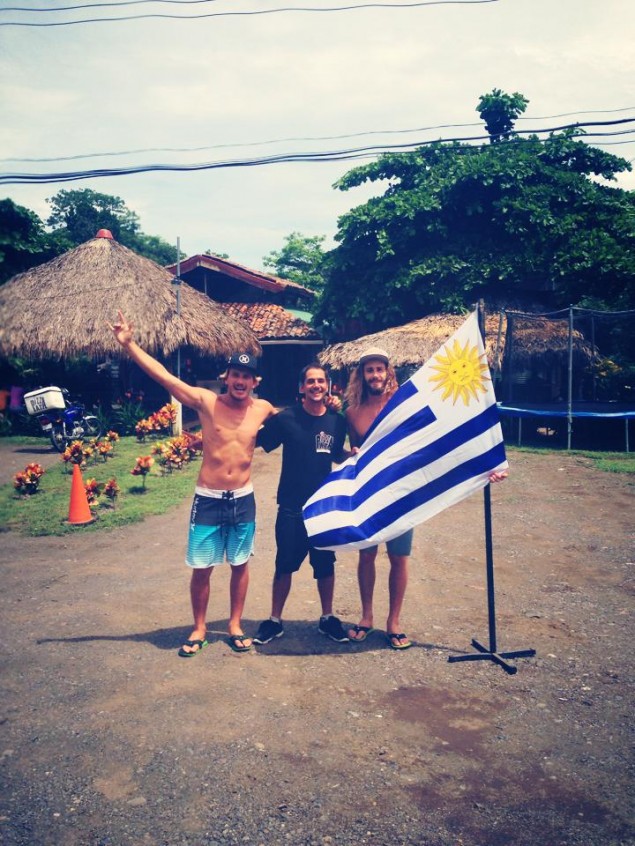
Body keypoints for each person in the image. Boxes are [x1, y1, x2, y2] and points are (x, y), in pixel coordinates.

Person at [110, 311, 276, 657]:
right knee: (202, 567)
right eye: (235, 375)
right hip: (209, 498)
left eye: (247, 376)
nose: (240, 381)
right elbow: (167, 379)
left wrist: (332, 407)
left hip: (243, 498)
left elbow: (300, 420)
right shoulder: (206, 401)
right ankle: (199, 627)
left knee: (240, 564)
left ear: (255, 381)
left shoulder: (262, 409)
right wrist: (129, 345)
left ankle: (234, 624)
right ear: (225, 377)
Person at [345, 346, 508, 650]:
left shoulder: (402, 405)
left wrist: (485, 464)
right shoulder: (352, 412)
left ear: (387, 372)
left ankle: (394, 622)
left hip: (402, 495)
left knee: (399, 557)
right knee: (366, 555)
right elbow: (354, 454)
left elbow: (438, 435)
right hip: (369, 498)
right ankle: (366, 617)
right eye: (369, 370)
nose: (375, 375)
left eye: (380, 369)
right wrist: (351, 455)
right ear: (362, 375)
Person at [253, 363, 350, 645]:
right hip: (291, 508)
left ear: (328, 385)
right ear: (302, 387)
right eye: (311, 381)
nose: (316, 386)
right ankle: (274, 620)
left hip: (323, 509)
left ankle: (327, 617)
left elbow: (336, 455)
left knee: (325, 565)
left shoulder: (337, 421)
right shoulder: (287, 419)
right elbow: (253, 440)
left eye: (321, 381)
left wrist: (354, 457)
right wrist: (212, 441)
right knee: (284, 565)